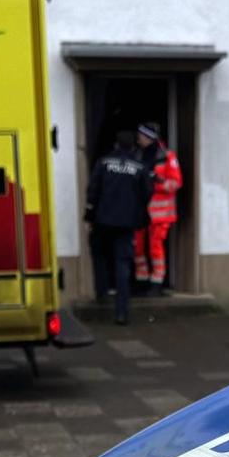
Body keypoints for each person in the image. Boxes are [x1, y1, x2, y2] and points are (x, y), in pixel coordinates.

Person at [84, 130, 153, 325]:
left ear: (116, 145)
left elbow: (93, 190)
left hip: (103, 220)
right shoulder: (140, 167)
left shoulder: (104, 163)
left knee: (99, 255)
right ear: (133, 147)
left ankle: (102, 293)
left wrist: (90, 215)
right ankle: (121, 313)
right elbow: (147, 192)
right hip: (127, 223)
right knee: (123, 265)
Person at [134, 121, 181, 294]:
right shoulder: (137, 154)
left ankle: (157, 281)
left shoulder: (168, 156)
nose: (138, 138)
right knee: (137, 246)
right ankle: (141, 279)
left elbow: (175, 183)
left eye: (141, 135)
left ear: (148, 137)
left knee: (155, 246)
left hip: (160, 213)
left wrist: (156, 182)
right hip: (140, 210)